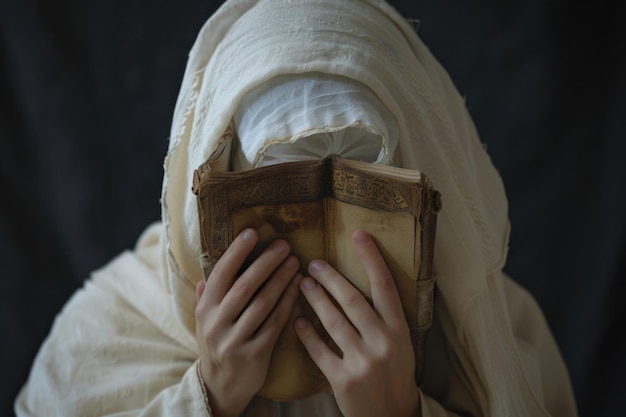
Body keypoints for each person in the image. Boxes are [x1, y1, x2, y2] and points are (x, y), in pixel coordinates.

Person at [15, 0, 578, 416]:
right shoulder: (115, 324)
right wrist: (209, 394)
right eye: (277, 183)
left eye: (365, 179)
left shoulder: (500, 333)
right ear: (218, 175)